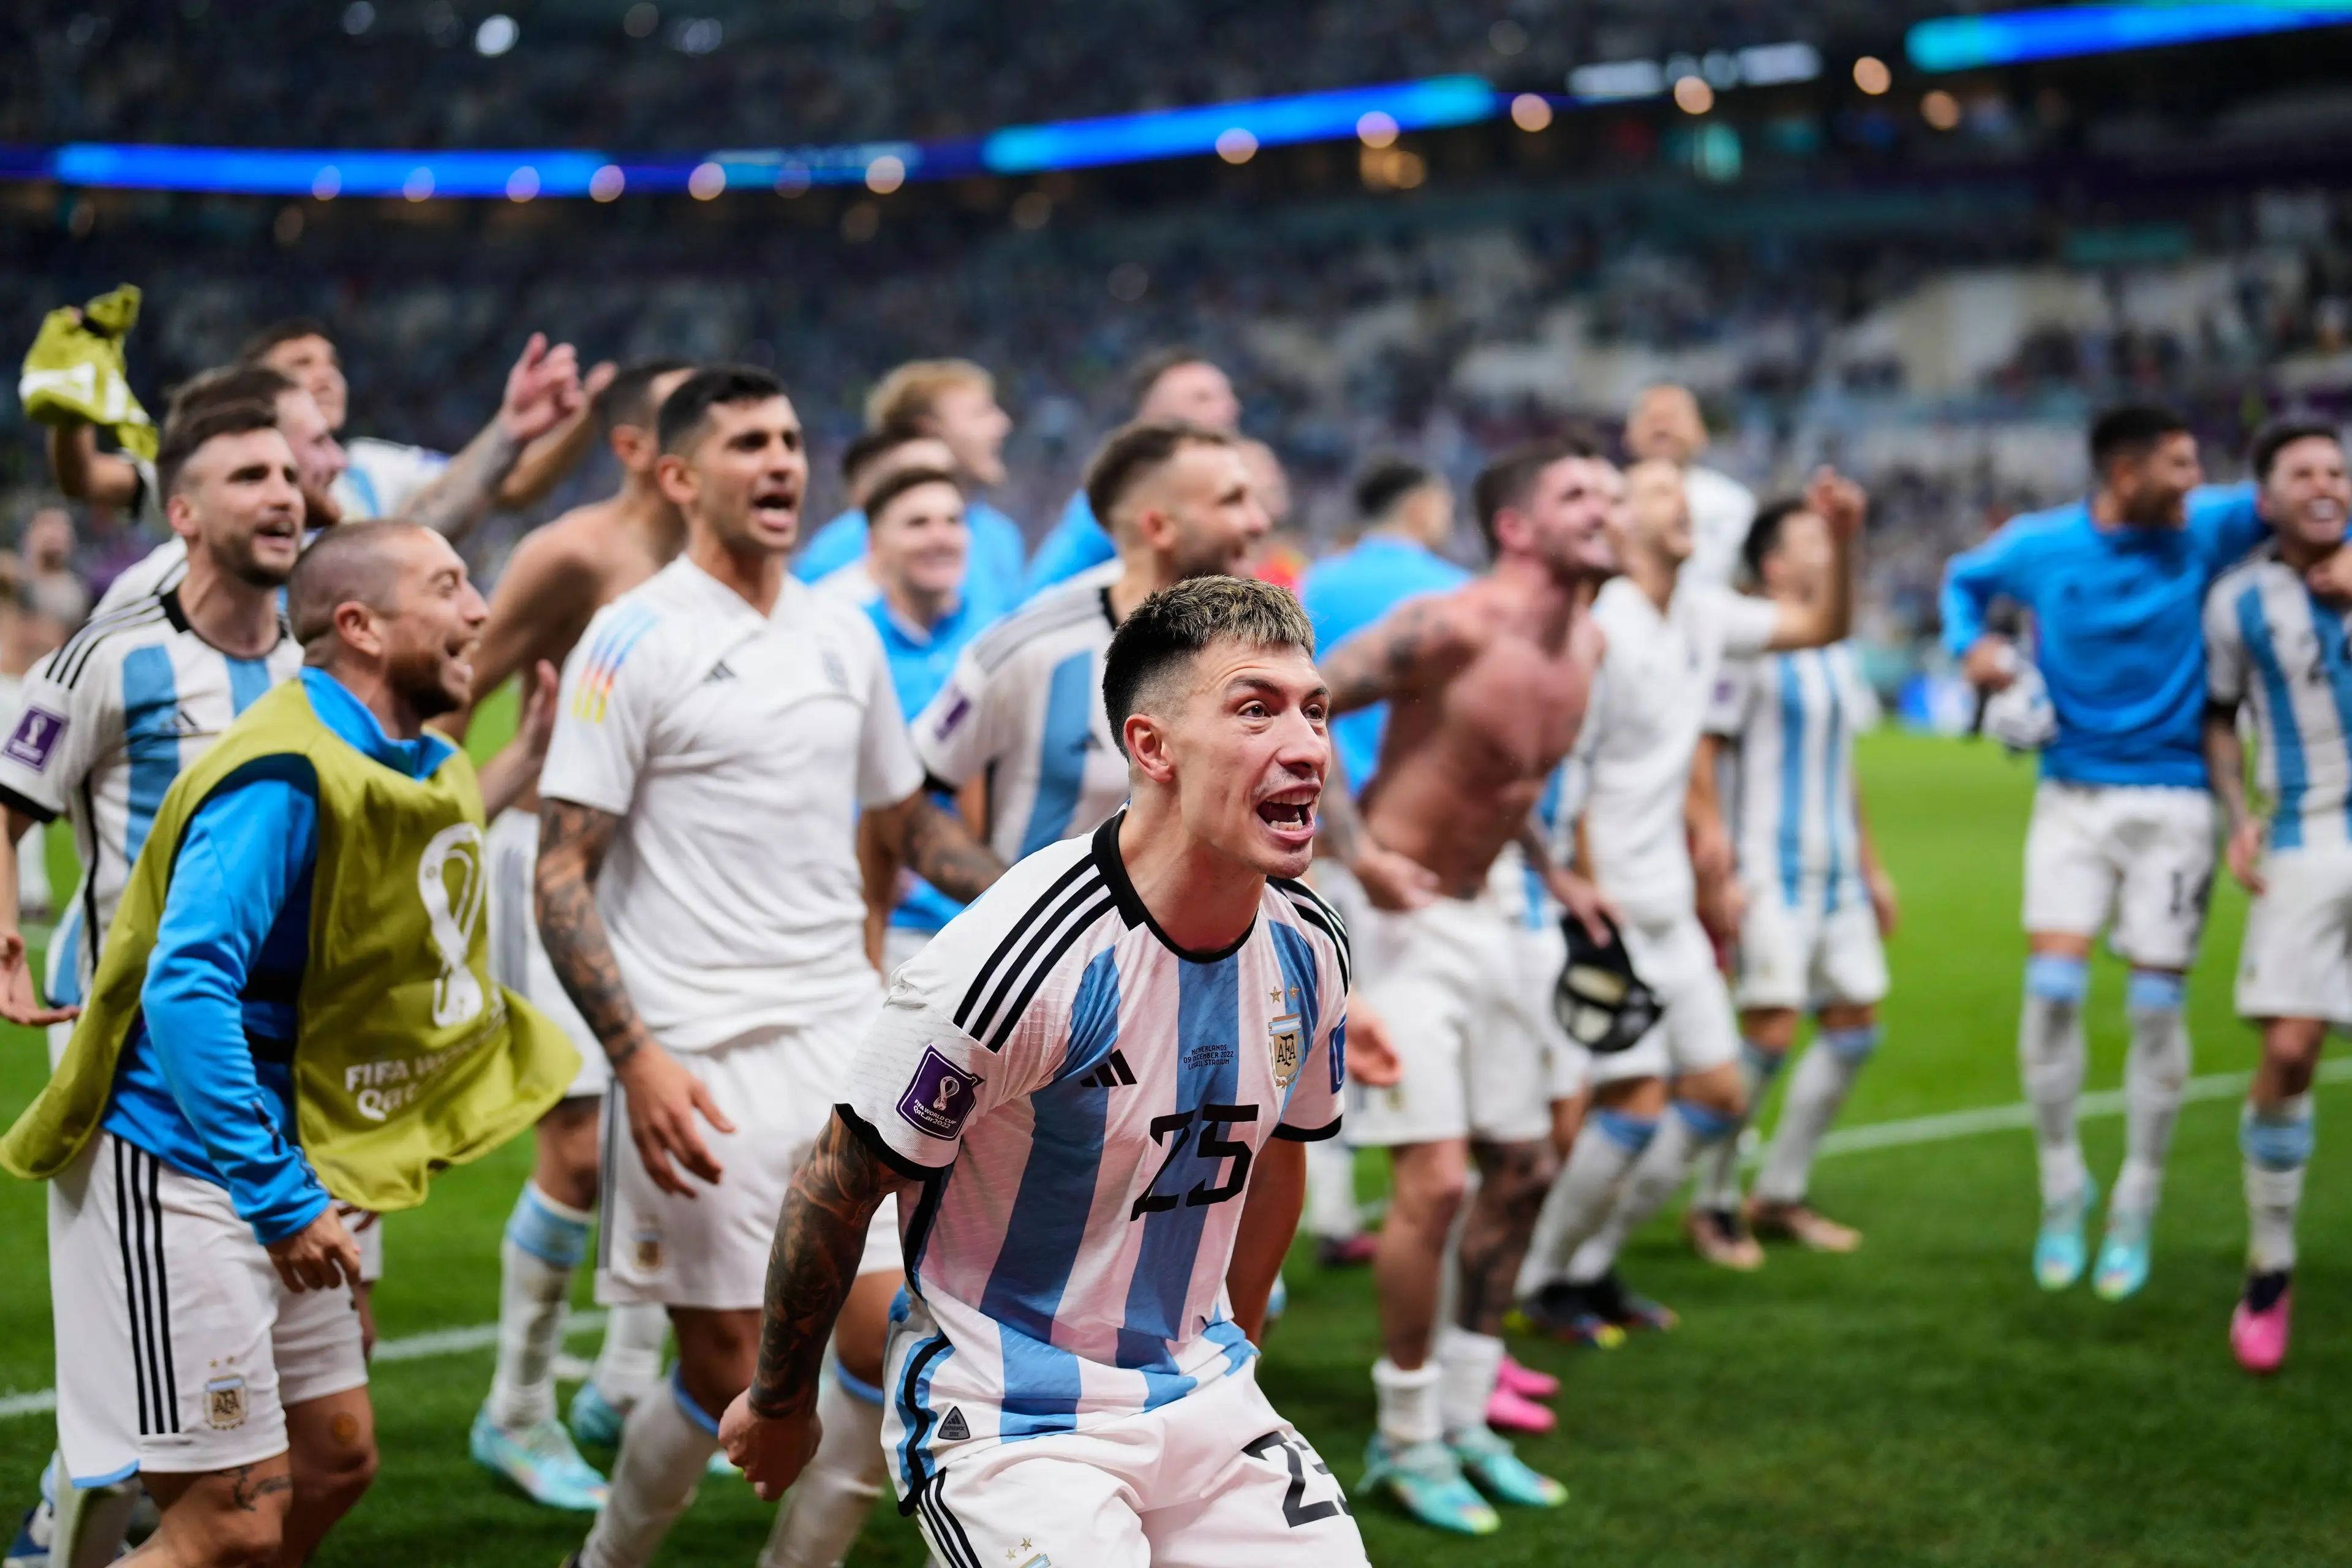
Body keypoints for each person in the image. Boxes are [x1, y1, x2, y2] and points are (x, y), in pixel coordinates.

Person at [718, 575, 1373, 1567]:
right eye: (1256, 710)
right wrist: (778, 1402)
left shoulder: (1309, 947)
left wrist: (1237, 1365)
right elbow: (839, 1182)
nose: (1307, 746)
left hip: (1203, 1391)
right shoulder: (1019, 955)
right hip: (1011, 1414)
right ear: (1150, 748)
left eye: (1314, 710)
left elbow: (1278, 1162)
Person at [0, 516, 577, 1568]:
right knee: (231, 1526)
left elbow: (409, 833)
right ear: (358, 625)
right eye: (449, 587)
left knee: (335, 1460)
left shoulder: (401, 751)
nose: (480, 611)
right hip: (182, 1163)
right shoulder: (283, 769)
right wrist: (282, 1197)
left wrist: (527, 758)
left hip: (294, 1151)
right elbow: (186, 989)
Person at [532, 366, 1005, 1568]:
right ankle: (610, 1557)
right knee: (725, 1368)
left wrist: (1053, 891)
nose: (782, 461)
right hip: (696, 1057)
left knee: (882, 1341)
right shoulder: (630, 635)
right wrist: (633, 1057)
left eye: (792, 438)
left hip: (843, 1041)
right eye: (748, 441)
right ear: (682, 476)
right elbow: (561, 868)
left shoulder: (840, 628)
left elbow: (905, 821)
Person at [1940, 404, 2351, 1299]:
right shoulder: (2038, 545)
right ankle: (2062, 1186)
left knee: (2156, 1011)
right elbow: (1963, 586)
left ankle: (2136, 1198)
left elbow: (2307, 506)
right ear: (2126, 475)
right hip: (2071, 796)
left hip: (2176, 803)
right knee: (2051, 989)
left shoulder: (2207, 523)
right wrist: (1975, 651)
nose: (2198, 482)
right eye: (2179, 464)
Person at [1306, 436, 1624, 1536]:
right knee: (1435, 1182)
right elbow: (1303, 703)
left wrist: (1553, 869)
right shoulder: (1448, 623)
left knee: (1526, 1166)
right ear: (1517, 527)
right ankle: (1403, 1437)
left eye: (1614, 493)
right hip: (1399, 928)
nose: (1610, 508)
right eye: (1582, 494)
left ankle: (1464, 1412)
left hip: (1491, 918)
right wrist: (1352, 851)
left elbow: (1504, 775)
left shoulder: (1588, 641)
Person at [1515, 459, 1858, 1336]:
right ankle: (1539, 1276)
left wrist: (1844, 541)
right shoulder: (1603, 630)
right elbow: (1574, 775)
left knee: (1715, 1093)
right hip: (1611, 911)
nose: (1684, 503)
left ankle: (1590, 1264)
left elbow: (1821, 623)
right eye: (1660, 491)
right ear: (1621, 524)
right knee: (1627, 1103)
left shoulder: (1702, 613)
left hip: (1666, 904)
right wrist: (1587, 900)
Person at [455, 357, 698, 1510]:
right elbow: (459, 681)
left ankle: (619, 1380)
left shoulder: (728, 568)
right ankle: (516, 1409)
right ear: (640, 448)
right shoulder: (573, 551)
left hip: (673, 881)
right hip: (556, 865)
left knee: (675, 1126)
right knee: (579, 1147)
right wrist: (445, 818)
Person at [1683, 494, 1898, 1261]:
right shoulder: (1747, 642)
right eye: (1809, 536)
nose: (1824, 544)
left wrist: (1872, 868)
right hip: (1768, 868)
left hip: (1837, 871)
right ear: (1773, 563)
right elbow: (1702, 753)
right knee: (1768, 1029)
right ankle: (1710, 1201)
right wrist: (1718, 862)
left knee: (1855, 1025)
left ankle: (1778, 1190)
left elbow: (1845, 771)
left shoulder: (1836, 646)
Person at [911, 418, 1269, 872]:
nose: (1260, 522)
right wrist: (1006, 908)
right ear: (1158, 527)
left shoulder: (1260, 646)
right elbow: (908, 794)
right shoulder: (1031, 645)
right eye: (1233, 501)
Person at [2199, 420, 2352, 1372]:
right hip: (2300, 835)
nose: (2326, 482)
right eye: (2303, 472)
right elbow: (2220, 715)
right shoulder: (2238, 600)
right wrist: (2234, 811)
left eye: (2337, 470)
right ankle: (2270, 1265)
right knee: (2289, 1050)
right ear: (2267, 499)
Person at [1293, 461, 1468, 1271]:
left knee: (1333, 1013)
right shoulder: (1452, 592)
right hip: (1412, 840)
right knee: (1395, 1026)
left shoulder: (1313, 583)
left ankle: (1329, 1209)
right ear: (1425, 503)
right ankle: (1396, 1195)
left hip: (1317, 830)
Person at [240, 317, 597, 539]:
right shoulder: (235, 498)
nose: (326, 376)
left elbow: (502, 486)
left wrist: (512, 429)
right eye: (302, 364)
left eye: (332, 363)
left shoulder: (366, 466)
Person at [850, 466, 998, 976]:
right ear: (875, 543)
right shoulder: (846, 644)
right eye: (917, 523)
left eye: (953, 521)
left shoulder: (1001, 636)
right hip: (891, 923)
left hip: (994, 916)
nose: (940, 537)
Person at [89, 364, 349, 615]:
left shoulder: (326, 581)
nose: (340, 461)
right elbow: (87, 477)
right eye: (319, 442)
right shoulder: (153, 597)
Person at [791, 360, 1026, 611]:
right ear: (928, 431)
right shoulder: (846, 546)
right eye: (980, 413)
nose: (1002, 424)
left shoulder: (999, 535)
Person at [1021, 350, 1243, 598]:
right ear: (1152, 416)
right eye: (1202, 399)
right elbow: (1044, 593)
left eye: (1228, 397)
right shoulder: (1117, 497)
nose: (1228, 409)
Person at [799, 428, 960, 603]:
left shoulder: (969, 550)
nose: (932, 487)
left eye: (946, 476)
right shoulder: (832, 573)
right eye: (916, 477)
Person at [1623, 383, 1755, 592]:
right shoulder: (1608, 498)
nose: (1662, 428)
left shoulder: (1734, 503)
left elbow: (1746, 583)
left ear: (1701, 433)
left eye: (1673, 419)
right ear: (1628, 435)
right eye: (1651, 419)